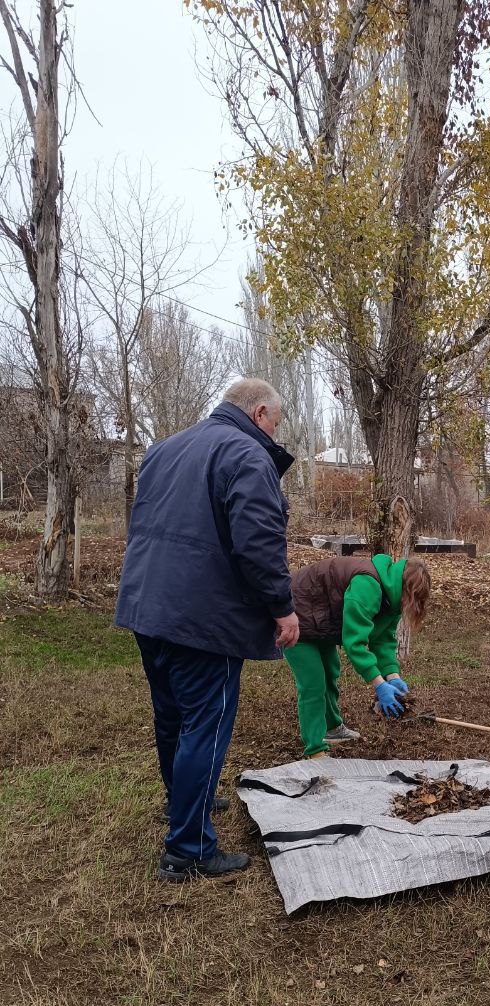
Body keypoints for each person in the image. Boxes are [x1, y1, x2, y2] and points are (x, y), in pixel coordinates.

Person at [115, 378, 300, 883]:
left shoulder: (165, 448)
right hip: (203, 618)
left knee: (172, 717)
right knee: (205, 723)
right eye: (276, 423)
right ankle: (188, 849)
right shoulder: (248, 455)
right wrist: (282, 608)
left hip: (147, 605)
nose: (274, 433)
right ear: (259, 413)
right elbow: (258, 542)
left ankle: (182, 802)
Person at [284, 555, 431, 756]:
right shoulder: (367, 585)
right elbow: (355, 643)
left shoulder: (393, 599)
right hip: (294, 615)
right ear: (407, 589)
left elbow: (383, 641)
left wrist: (393, 676)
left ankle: (332, 729)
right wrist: (379, 684)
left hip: (321, 620)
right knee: (313, 683)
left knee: (330, 673)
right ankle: (315, 749)